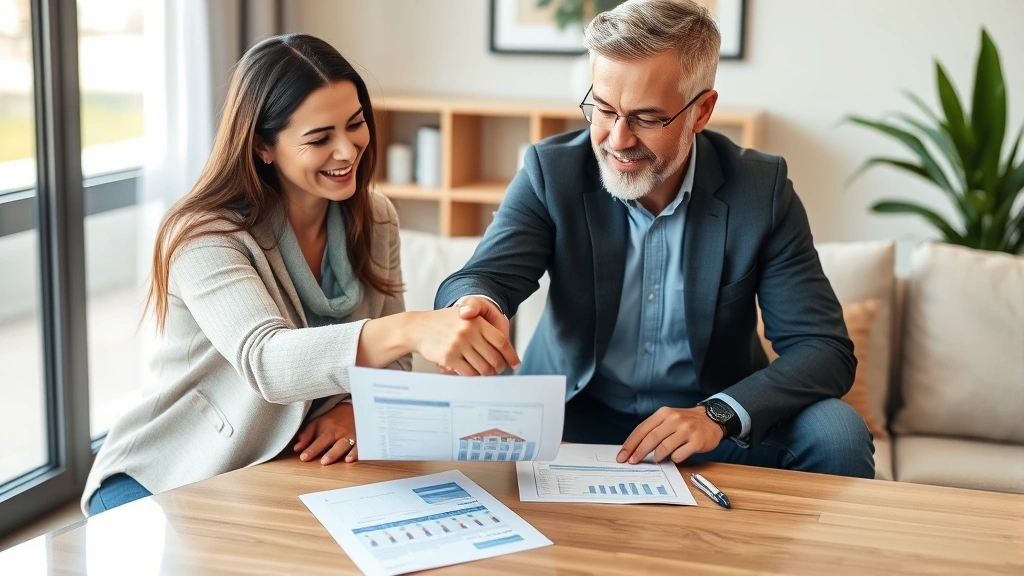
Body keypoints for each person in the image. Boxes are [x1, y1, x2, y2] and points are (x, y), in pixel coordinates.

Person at [82, 34, 520, 515]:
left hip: (277, 471)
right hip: (172, 472)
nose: (347, 150)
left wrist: (356, 411)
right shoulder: (204, 235)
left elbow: (392, 365)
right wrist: (410, 327)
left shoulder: (375, 218)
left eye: (355, 125)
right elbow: (267, 361)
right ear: (263, 147)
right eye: (319, 138)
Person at [437, 0, 874, 478]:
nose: (617, 140)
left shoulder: (760, 192)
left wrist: (719, 415)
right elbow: (484, 276)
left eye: (647, 118)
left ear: (701, 110)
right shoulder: (552, 171)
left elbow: (823, 348)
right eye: (603, 109)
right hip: (572, 415)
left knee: (836, 433)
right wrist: (475, 304)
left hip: (703, 425)